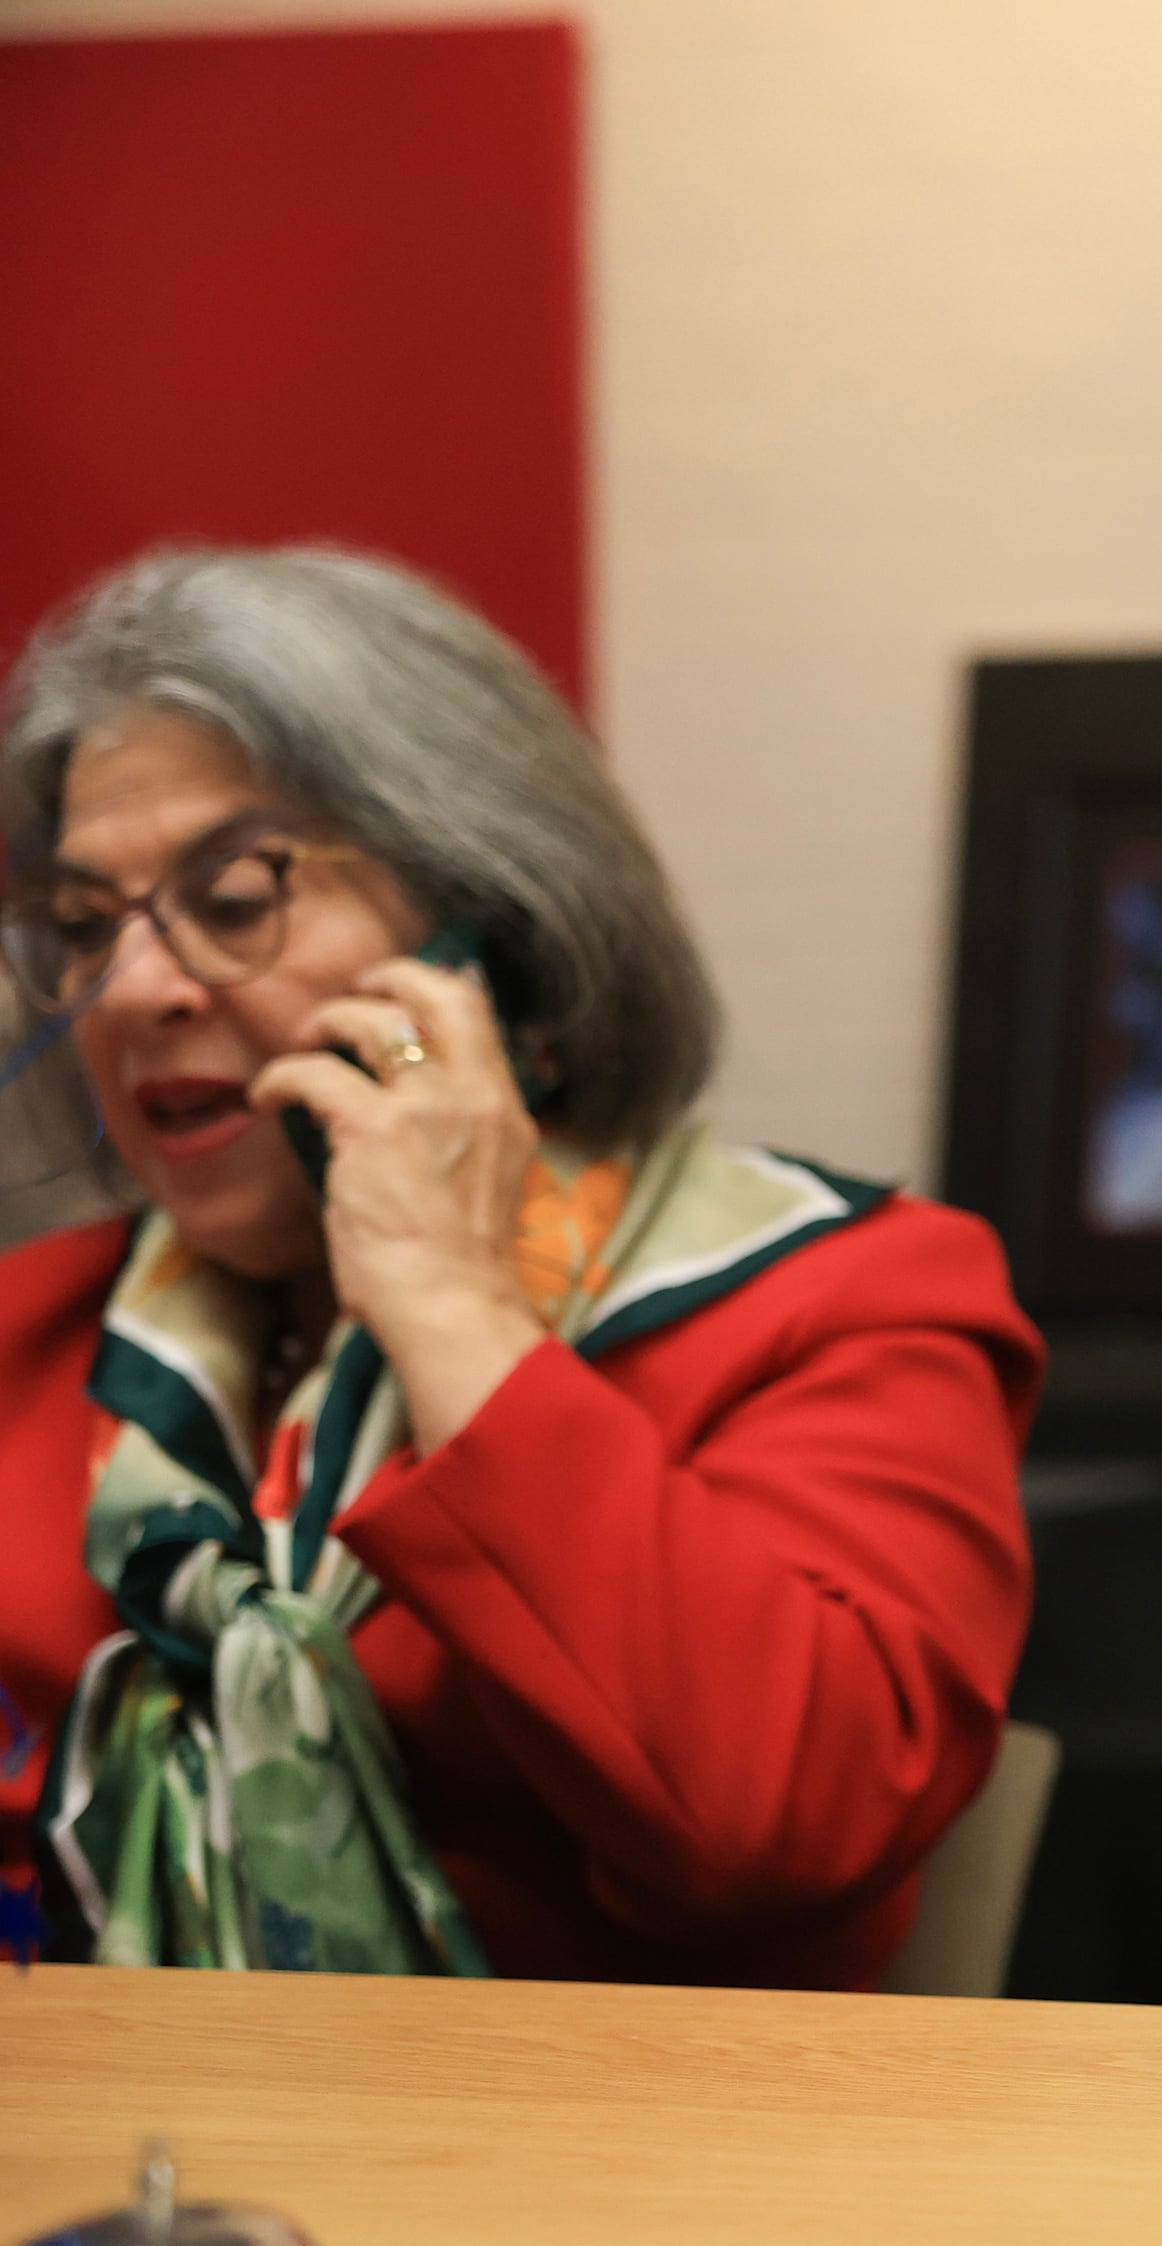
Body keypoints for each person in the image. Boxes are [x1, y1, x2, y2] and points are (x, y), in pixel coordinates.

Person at [0, 547, 1040, 1988]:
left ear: (483, 924)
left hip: (618, 2175)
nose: (134, 988)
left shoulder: (843, 1295)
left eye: (235, 895)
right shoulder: (32, 1331)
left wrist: (452, 1303)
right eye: (80, 925)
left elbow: (787, 1831)